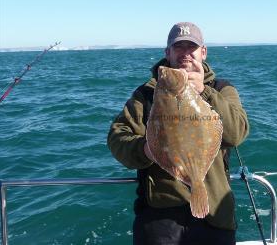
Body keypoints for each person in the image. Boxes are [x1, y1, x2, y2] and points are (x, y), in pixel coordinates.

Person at [107, 22, 249, 245]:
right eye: (178, 47)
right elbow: (117, 139)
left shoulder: (222, 90)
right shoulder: (146, 94)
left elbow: (235, 135)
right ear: (168, 53)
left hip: (215, 213)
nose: (185, 54)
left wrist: (205, 91)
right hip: (160, 217)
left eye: (191, 47)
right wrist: (146, 150)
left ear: (203, 52)